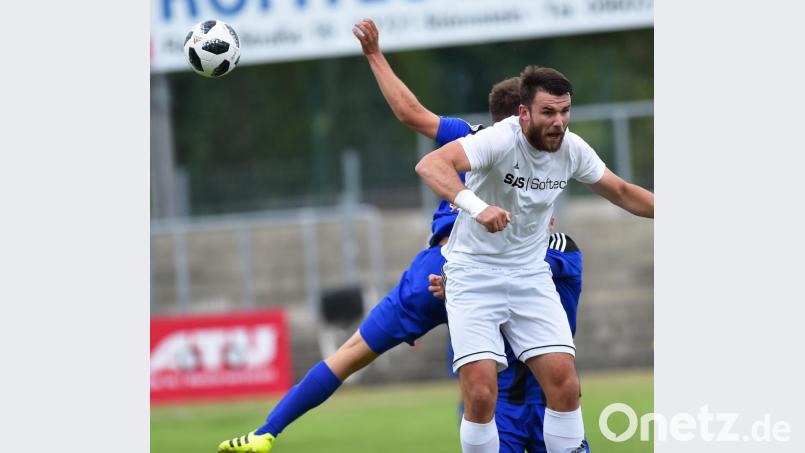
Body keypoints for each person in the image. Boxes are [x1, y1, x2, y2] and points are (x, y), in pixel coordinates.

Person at [217, 19, 522, 453]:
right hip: (493, 277)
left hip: (438, 266)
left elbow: (409, 113)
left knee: (351, 353)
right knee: (510, 376)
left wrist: (375, 55)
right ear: (522, 117)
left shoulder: (470, 138)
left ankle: (266, 431)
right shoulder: (536, 159)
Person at [415, 65, 654, 453]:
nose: (559, 122)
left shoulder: (572, 149)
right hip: (473, 274)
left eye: (565, 112)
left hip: (529, 275)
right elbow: (431, 165)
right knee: (479, 394)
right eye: (548, 112)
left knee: (565, 384)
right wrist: (476, 207)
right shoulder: (499, 140)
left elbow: (623, 192)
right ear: (524, 113)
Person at [430, 218, 590, 453]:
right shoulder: (479, 259)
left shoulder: (561, 246)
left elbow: (515, 267)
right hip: (501, 404)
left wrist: (463, 276)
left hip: (552, 399)